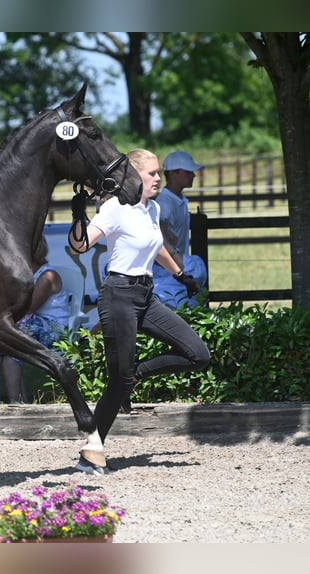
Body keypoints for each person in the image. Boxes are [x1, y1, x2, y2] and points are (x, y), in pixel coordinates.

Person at [68, 148, 210, 475]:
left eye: (158, 172)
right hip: (118, 295)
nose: (158, 178)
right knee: (118, 380)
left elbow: (156, 245)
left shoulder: (153, 208)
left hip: (146, 296)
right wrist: (79, 216)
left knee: (198, 354)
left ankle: (138, 375)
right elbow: (80, 245)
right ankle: (90, 453)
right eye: (151, 173)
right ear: (133, 177)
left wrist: (179, 274)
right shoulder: (115, 208)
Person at [0, 238, 71, 404]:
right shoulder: (24, 276)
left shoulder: (48, 276)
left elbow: (29, 307)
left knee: (6, 331)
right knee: (10, 350)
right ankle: (14, 403)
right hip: (30, 325)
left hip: (53, 328)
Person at [152, 150, 208, 308]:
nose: (193, 176)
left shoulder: (177, 200)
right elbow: (160, 237)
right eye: (188, 172)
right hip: (168, 273)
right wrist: (180, 269)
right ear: (174, 173)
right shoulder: (165, 204)